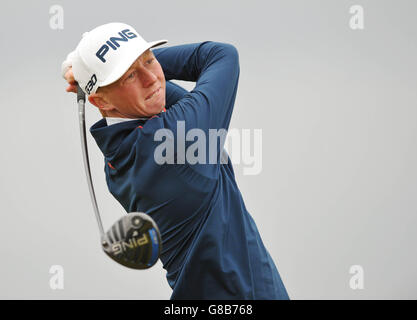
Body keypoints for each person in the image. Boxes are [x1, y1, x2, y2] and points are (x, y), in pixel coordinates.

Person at [62, 22, 289, 300]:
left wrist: (101, 73)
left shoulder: (118, 156)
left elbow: (153, 91)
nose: (151, 78)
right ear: (102, 103)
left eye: (150, 59)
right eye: (130, 76)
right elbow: (221, 55)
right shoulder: (175, 139)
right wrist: (91, 73)